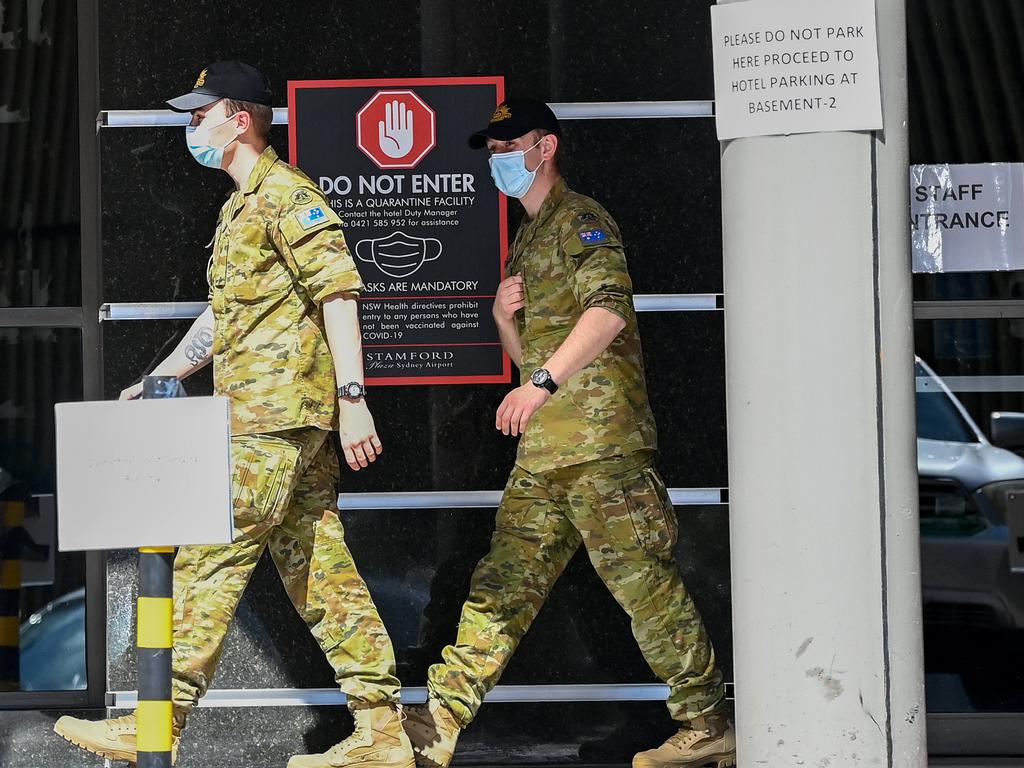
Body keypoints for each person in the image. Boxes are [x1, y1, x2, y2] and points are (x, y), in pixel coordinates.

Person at [53, 60, 414, 768]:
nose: (191, 127)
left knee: (209, 554)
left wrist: (354, 399)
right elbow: (224, 316)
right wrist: (159, 377)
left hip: (275, 418)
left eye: (199, 113)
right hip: (269, 417)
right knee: (322, 571)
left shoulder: (286, 195)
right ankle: (382, 731)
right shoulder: (241, 205)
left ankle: (156, 720)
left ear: (238, 118)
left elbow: (339, 293)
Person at [401, 98, 736, 768]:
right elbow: (532, 357)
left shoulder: (581, 220)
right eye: (490, 152)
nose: (497, 161)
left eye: (508, 147)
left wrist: (543, 384)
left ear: (545, 147)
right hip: (548, 450)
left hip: (602, 447)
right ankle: (438, 722)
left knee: (645, 587)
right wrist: (502, 319)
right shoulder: (526, 237)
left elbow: (609, 311)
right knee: (501, 587)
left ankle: (707, 724)